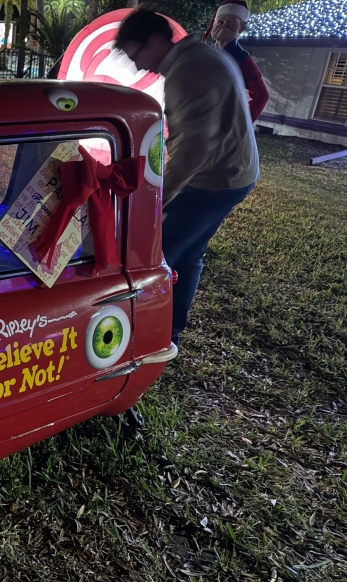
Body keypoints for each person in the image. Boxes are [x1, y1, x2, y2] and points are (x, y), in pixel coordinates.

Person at [114, 9, 259, 348]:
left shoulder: (189, 70)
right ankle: (170, 331)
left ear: (156, 40)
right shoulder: (200, 56)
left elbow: (192, 151)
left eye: (136, 54)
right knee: (190, 252)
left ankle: (147, 338)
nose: (137, 65)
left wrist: (154, 202)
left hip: (217, 178)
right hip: (232, 172)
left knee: (156, 252)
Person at [203, 0, 269, 122]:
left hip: (223, 117)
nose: (224, 25)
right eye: (220, 22)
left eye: (231, 22)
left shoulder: (242, 59)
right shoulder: (206, 53)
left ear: (242, 27)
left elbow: (261, 96)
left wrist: (242, 123)